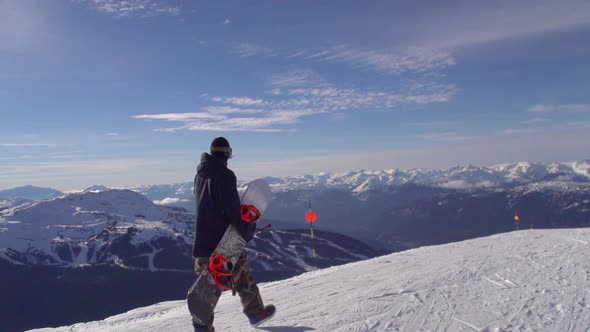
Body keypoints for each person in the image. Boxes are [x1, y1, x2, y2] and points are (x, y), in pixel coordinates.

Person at [188, 137, 276, 332]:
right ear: (228, 153)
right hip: (225, 240)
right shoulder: (225, 176)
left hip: (202, 240)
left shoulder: (200, 174)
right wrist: (246, 230)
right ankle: (255, 313)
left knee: (207, 283)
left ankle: (202, 326)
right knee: (242, 275)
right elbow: (232, 210)